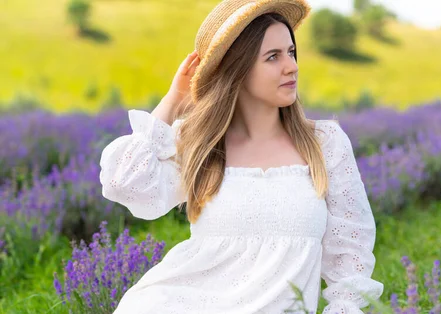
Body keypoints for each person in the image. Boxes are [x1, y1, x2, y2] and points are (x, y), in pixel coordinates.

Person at [98, 0, 383, 313]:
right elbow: (123, 183)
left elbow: (350, 261)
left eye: (291, 52)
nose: (292, 66)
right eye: (272, 57)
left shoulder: (325, 144)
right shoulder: (200, 143)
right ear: (238, 68)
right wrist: (172, 101)